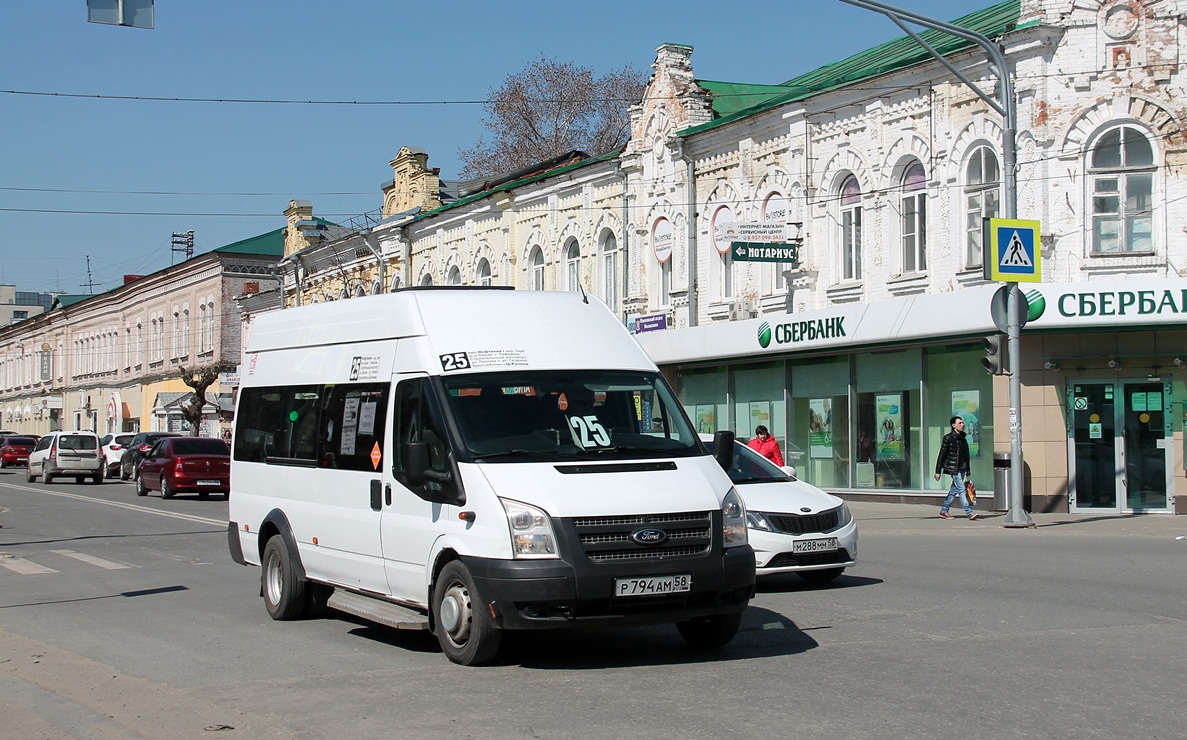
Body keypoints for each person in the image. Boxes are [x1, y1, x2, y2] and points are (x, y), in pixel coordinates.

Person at [934, 415, 977, 520]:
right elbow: (942, 455)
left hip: (962, 467)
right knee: (962, 489)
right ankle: (969, 512)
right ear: (953, 425)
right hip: (953, 468)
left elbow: (966, 455)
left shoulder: (963, 438)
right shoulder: (948, 438)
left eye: (962, 423)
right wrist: (937, 471)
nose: (962, 425)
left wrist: (968, 469)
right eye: (960, 423)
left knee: (954, 490)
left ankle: (944, 510)